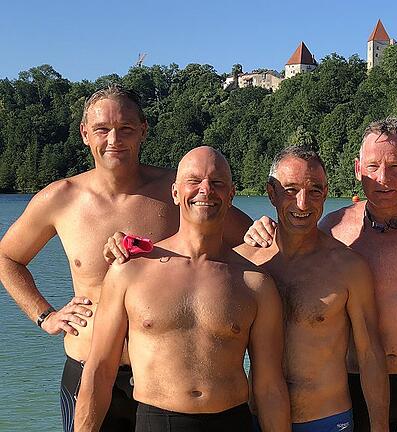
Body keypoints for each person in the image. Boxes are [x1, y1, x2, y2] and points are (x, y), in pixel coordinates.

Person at [0, 85, 252, 432]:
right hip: (88, 369)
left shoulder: (179, 192)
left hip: (167, 383)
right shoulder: (61, 198)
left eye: (126, 129)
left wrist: (267, 228)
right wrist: (45, 315)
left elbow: (253, 245)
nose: (114, 139)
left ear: (143, 131)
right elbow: (7, 257)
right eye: (102, 129)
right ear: (85, 133)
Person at [244, 118, 397, 432]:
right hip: (352, 383)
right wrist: (258, 226)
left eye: (396, 167)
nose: (383, 178)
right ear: (357, 169)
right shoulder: (334, 227)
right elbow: (296, 239)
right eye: (373, 166)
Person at [74, 147, 290, 432]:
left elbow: (269, 387)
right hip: (157, 421)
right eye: (194, 181)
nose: (206, 190)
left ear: (231, 194)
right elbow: (99, 371)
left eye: (217, 183)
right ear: (175, 192)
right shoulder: (130, 271)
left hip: (231, 421)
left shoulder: (254, 282)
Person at [237, 146, 389, 432]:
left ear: (326, 192)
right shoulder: (246, 261)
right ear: (271, 192)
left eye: (315, 190)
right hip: (256, 419)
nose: (303, 203)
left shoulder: (347, 268)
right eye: (291, 190)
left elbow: (370, 355)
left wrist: (379, 426)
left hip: (327, 420)